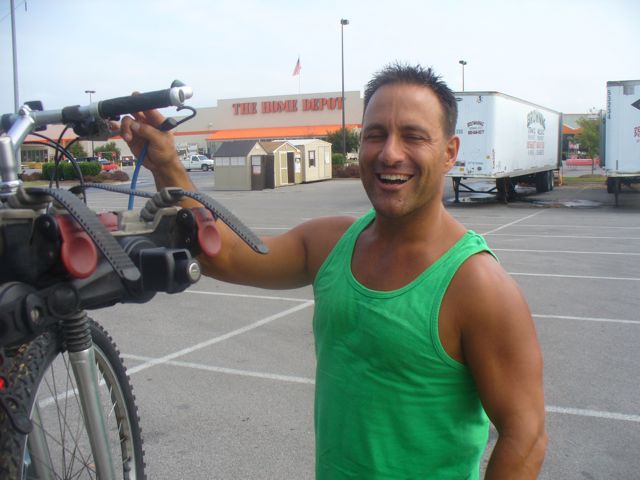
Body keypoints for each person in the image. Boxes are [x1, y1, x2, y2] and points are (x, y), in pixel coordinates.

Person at [120, 63, 547, 479]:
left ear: (450, 152)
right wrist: (167, 166)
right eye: (375, 135)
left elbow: (526, 436)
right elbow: (222, 255)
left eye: (413, 136)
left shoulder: (477, 285)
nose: (390, 153)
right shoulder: (329, 244)